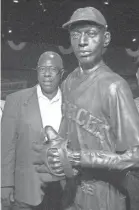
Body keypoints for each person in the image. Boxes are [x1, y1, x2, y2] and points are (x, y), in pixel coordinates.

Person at [33, 7, 139, 210]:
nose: (81, 41)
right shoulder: (69, 81)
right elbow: (67, 135)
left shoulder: (114, 87)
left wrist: (79, 157)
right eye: (75, 35)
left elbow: (135, 156)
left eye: (90, 33)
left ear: (105, 38)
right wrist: (55, 147)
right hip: (72, 192)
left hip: (105, 195)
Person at [1, 51, 64, 210]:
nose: (47, 74)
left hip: (62, 192)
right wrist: (5, 184)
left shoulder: (72, 102)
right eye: (42, 69)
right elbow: (6, 147)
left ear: (61, 73)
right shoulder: (15, 100)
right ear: (36, 72)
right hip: (25, 192)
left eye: (52, 69)